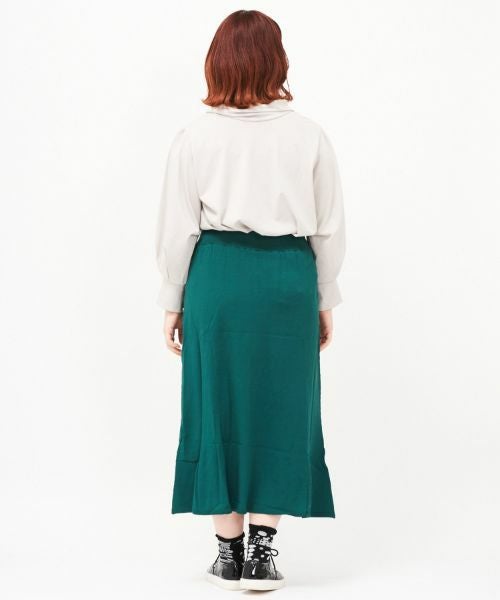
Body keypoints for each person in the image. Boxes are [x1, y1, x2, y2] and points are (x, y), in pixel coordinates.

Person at [155, 9, 346, 591]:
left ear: (217, 61)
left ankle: (227, 551)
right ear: (277, 61)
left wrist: (173, 297)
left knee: (214, 405)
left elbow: (177, 227)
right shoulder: (308, 134)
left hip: (217, 279)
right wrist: (324, 296)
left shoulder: (195, 136)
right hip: (289, 279)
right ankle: (262, 552)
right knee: (283, 406)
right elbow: (328, 227)